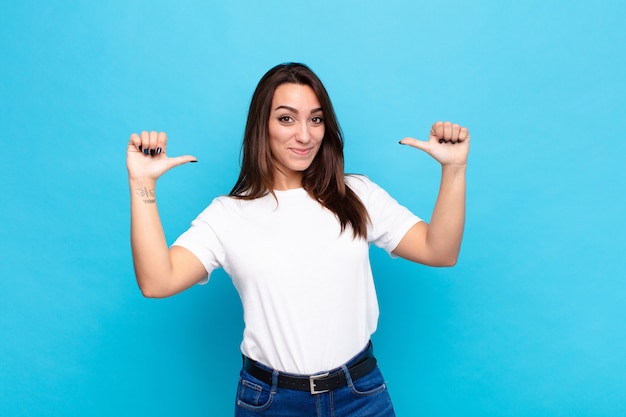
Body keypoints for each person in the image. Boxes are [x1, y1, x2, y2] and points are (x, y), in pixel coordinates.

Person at [126, 62, 469, 416]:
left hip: (360, 396)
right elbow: (156, 281)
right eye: (286, 119)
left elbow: (439, 250)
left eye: (316, 119)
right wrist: (143, 185)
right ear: (263, 126)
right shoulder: (227, 216)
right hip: (271, 402)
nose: (304, 135)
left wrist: (454, 169)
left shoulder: (357, 195)